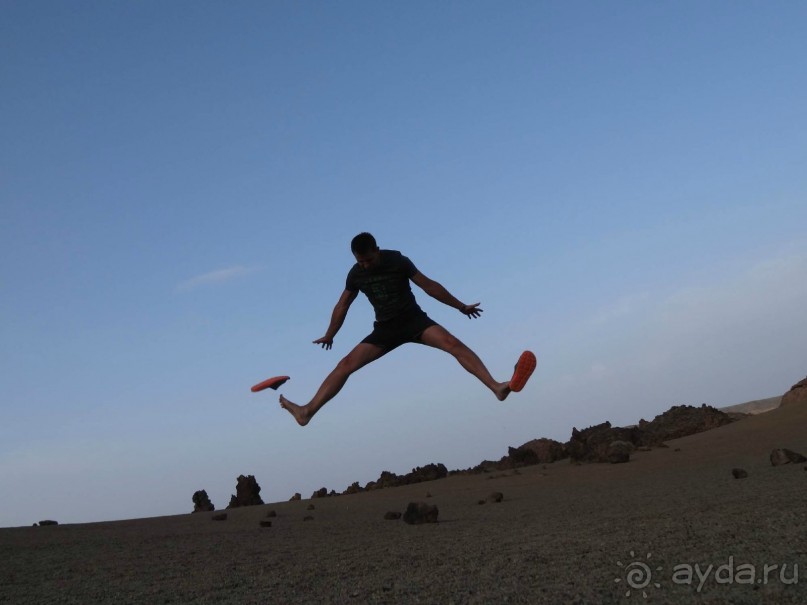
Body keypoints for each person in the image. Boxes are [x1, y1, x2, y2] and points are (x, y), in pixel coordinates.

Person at [279, 232, 535, 426]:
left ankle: (496, 387)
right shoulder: (355, 274)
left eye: (368, 260)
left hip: (413, 320)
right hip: (385, 329)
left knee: (453, 344)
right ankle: (306, 411)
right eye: (360, 262)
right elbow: (342, 304)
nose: (365, 265)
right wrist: (330, 334)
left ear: (377, 251)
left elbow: (429, 286)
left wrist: (460, 306)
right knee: (345, 365)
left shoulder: (397, 260)